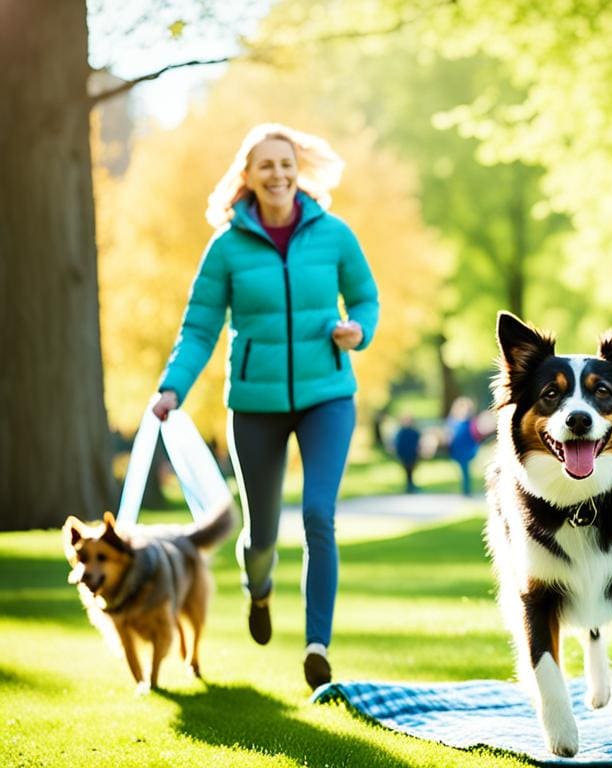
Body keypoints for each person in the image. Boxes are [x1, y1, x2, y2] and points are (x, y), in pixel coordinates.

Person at [151, 123, 378, 690]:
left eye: (286, 164)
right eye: (266, 166)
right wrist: (172, 387)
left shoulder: (334, 234)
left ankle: (316, 646)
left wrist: (359, 330)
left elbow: (366, 298)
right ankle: (260, 589)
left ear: (298, 170)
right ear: (246, 177)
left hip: (328, 396)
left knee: (319, 516)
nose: (278, 174)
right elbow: (200, 327)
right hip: (254, 403)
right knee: (262, 532)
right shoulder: (227, 247)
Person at [447, 396, 481, 496]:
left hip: (467, 449)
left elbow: (476, 435)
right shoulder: (453, 422)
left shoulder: (470, 422)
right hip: (457, 449)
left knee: (465, 470)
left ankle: (466, 490)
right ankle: (465, 489)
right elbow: (449, 435)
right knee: (462, 471)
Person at [393, 415, 422, 493]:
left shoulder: (414, 432)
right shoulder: (401, 432)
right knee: (407, 471)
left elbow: (419, 443)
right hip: (404, 454)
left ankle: (411, 485)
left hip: (412, 454)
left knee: (411, 470)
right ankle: (409, 485)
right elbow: (397, 443)